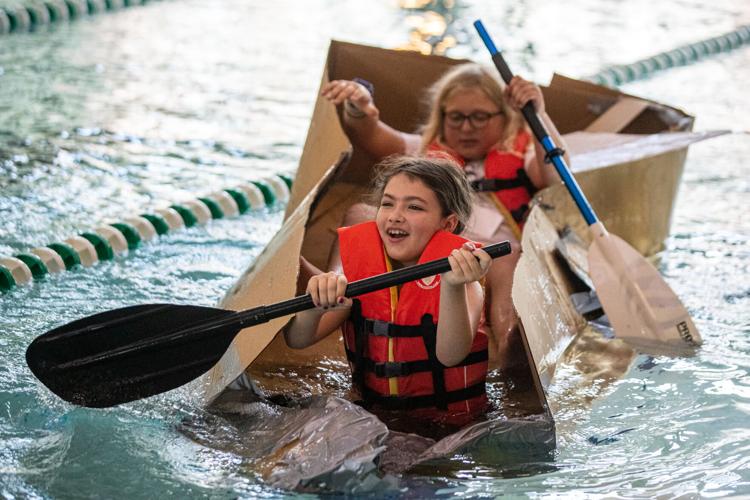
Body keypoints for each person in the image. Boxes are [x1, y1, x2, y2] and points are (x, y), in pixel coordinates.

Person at [320, 63, 568, 368]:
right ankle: (335, 283)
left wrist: (538, 116)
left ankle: (509, 341)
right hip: (428, 246)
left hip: (493, 255)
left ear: (505, 117)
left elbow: (559, 176)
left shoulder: (525, 152)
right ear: (442, 117)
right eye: (456, 117)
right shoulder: (423, 149)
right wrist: (359, 107)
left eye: (479, 117)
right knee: (359, 212)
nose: (466, 128)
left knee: (510, 256)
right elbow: (370, 134)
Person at [284, 156, 493, 435]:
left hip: (447, 428)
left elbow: (450, 355)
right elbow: (298, 339)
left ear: (447, 224)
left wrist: (452, 286)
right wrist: (314, 305)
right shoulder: (363, 274)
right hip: (372, 415)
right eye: (387, 203)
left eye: (414, 207)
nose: (395, 215)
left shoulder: (464, 283)